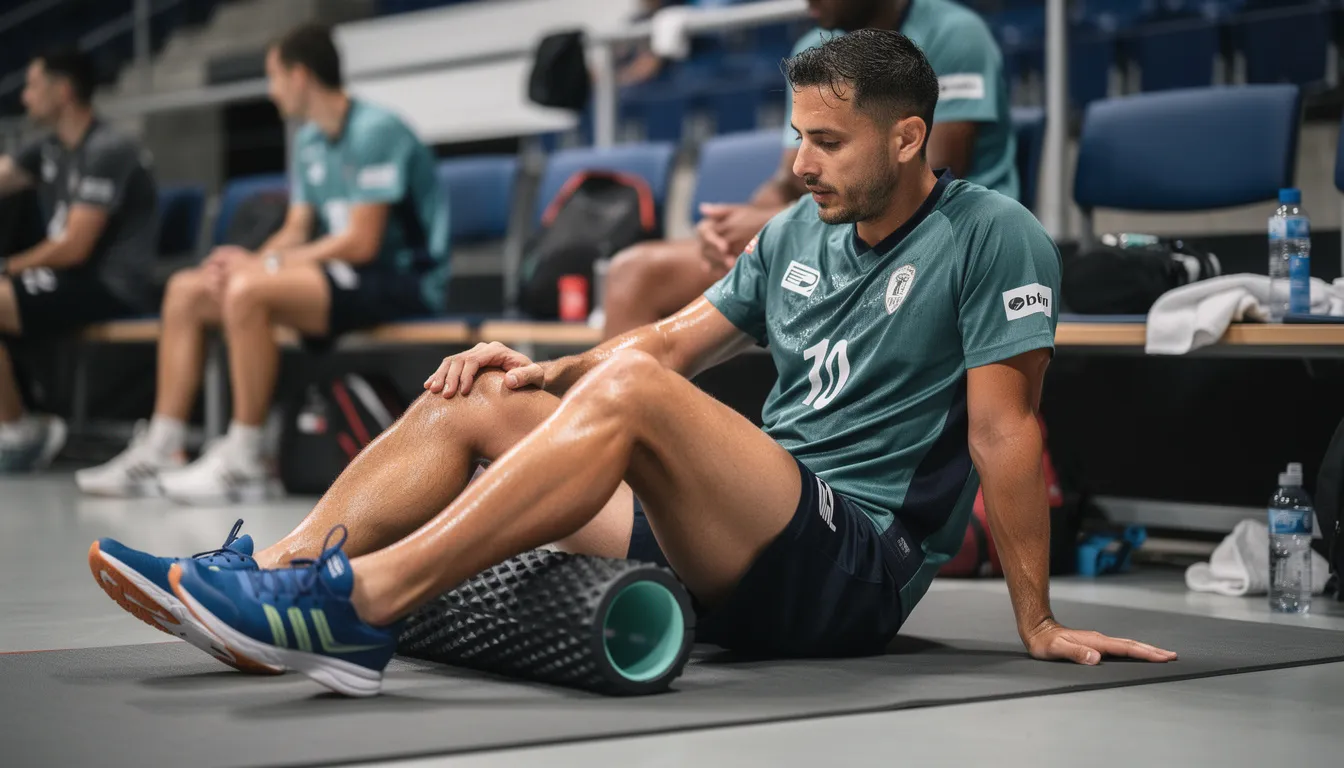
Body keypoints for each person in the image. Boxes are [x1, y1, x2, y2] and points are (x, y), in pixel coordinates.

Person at [89, 30, 1176, 697]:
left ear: (908, 139)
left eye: (828, 143)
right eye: (796, 136)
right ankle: (273, 578)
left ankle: (364, 602)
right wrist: (541, 370)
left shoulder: (993, 237)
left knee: (636, 392)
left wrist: (1037, 621)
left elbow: (1004, 433)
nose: (800, 164)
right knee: (480, 393)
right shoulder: (794, 231)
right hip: (746, 530)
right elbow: (663, 339)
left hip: (852, 563)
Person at [75, 23, 452, 504]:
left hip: (402, 279)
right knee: (188, 290)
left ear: (299, 76)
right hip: (343, 274)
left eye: (274, 76)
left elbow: (361, 243)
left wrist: (265, 269)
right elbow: (297, 227)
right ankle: (162, 447)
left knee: (248, 291)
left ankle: (246, 459)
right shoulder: (310, 140)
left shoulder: (375, 131)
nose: (271, 90)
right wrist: (252, 260)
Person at [602, 0, 1017, 338]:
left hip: (933, 239)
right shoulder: (814, 49)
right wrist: (736, 229)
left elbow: (926, 181)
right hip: (830, 231)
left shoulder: (954, 33)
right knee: (634, 273)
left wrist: (773, 225)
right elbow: (791, 178)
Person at [0, 47, 159, 472]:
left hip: (111, 285)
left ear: (64, 91)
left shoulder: (109, 148)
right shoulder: (50, 147)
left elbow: (74, 248)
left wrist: (8, 267)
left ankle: (20, 432)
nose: (24, 97)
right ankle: (17, 420)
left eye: (34, 86)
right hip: (68, 279)